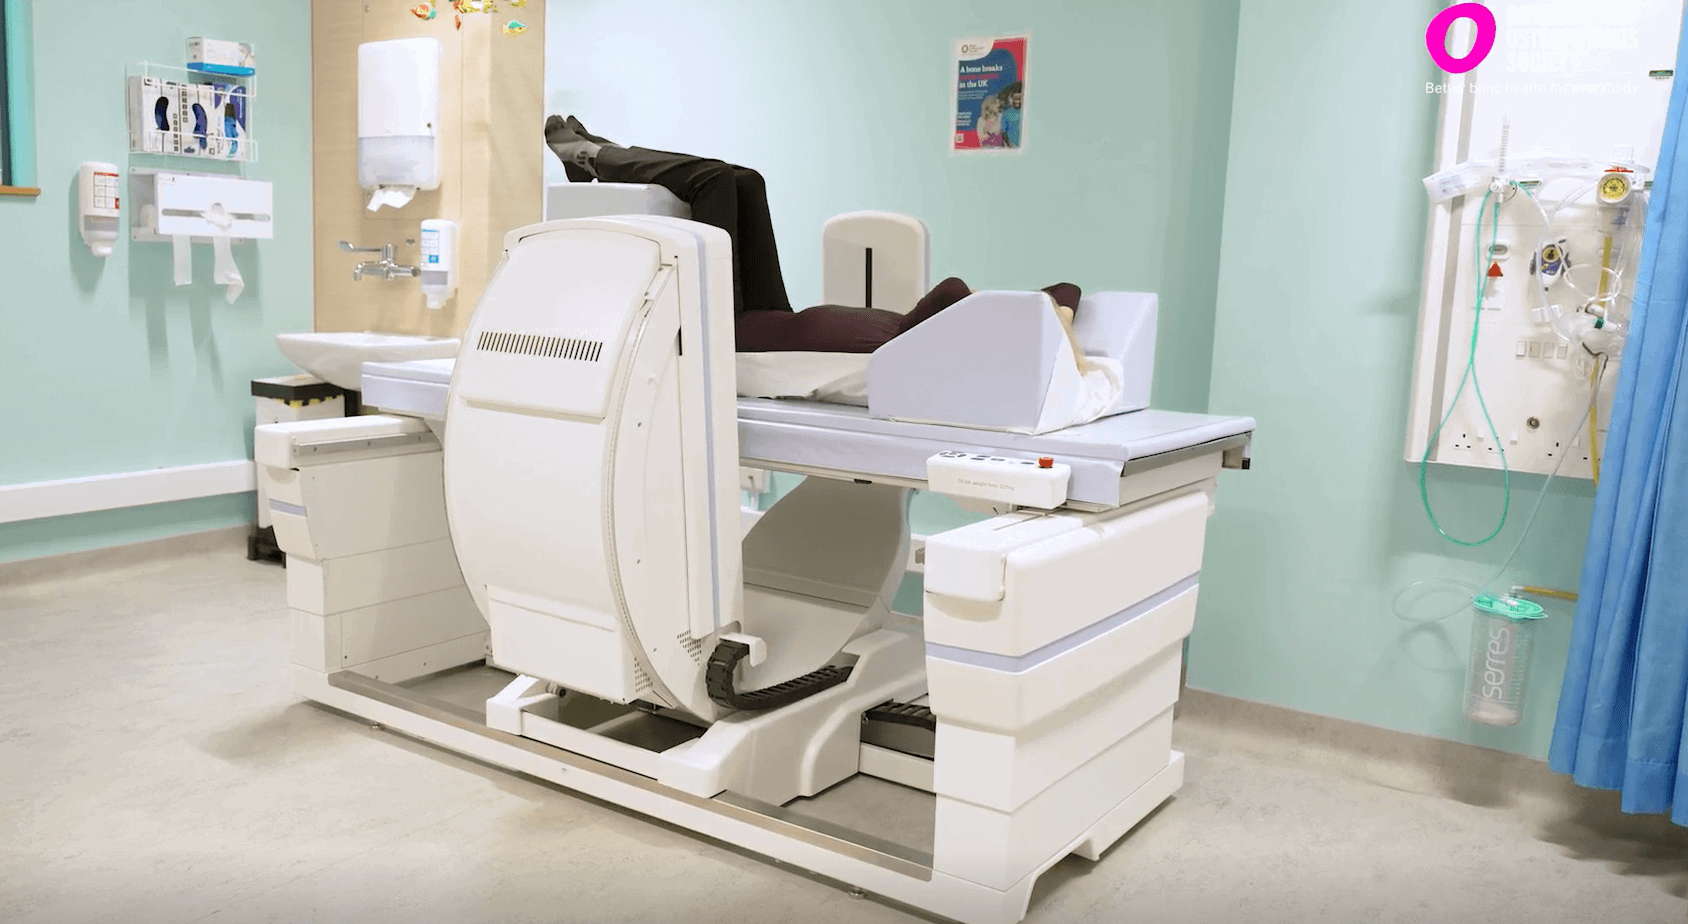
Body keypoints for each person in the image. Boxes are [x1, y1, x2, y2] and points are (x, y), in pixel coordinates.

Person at [544, 115, 1075, 353]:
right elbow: (1067, 292)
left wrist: (1049, 328)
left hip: (737, 335)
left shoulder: (944, 331)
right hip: (774, 318)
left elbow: (960, 290)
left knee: (711, 181)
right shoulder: (966, 328)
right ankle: (601, 155)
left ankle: (598, 156)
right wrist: (1055, 316)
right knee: (745, 180)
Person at [998, 82, 1023, 149]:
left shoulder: (1027, 110)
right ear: (1011, 98)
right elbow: (1004, 132)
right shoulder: (1006, 114)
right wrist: (1009, 145)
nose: (1017, 101)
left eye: (1020, 98)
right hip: (1013, 146)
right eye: (1015, 98)